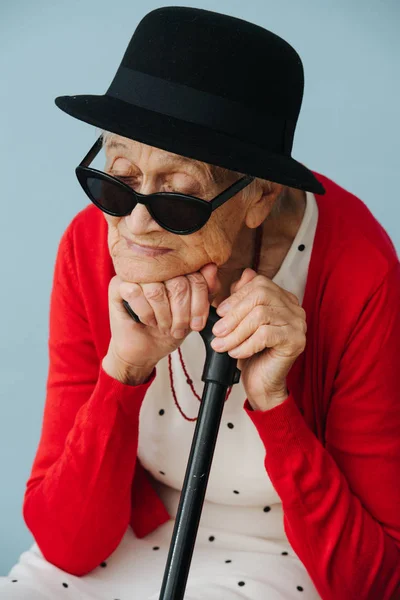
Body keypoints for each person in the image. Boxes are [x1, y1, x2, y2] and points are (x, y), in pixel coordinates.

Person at [1, 6, 399, 600]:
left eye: (180, 197)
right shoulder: (91, 243)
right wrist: (124, 371)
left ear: (261, 196)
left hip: (294, 548)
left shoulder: (359, 272)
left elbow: (371, 582)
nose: (135, 224)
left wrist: (274, 403)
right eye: (118, 176)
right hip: (134, 529)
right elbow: (68, 545)